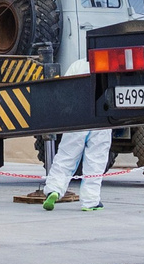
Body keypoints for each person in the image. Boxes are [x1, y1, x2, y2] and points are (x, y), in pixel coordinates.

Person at [41, 58, 112, 212]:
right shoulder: (108, 64)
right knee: (96, 159)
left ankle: (54, 189)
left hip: (77, 118)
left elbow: (65, 90)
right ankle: (90, 201)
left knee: (66, 155)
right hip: (101, 119)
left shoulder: (77, 65)